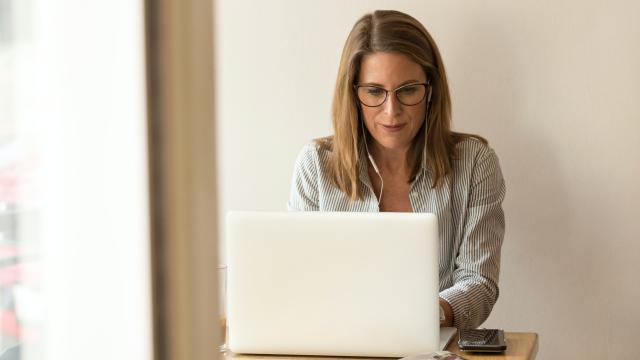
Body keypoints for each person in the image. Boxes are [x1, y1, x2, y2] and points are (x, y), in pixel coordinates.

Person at [287, 9, 505, 330]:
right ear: (353, 93)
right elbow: (299, 279)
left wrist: (426, 314)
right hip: (337, 343)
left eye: (408, 90)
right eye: (375, 91)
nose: (392, 111)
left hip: (433, 346)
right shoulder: (316, 165)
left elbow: (479, 283)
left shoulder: (474, 163)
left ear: (430, 90)